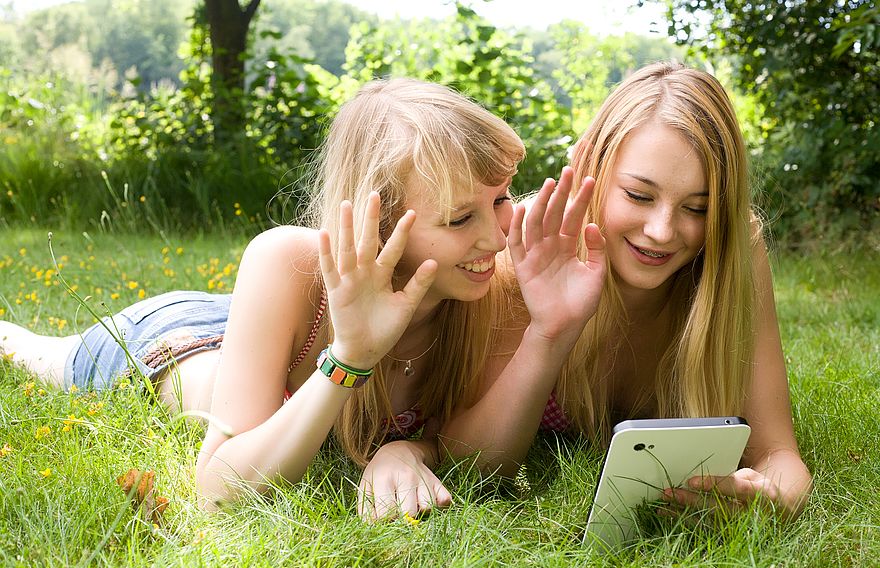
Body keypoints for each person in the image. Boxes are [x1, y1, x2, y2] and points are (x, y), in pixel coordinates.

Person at [1, 77, 603, 516]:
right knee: (38, 355)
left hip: (262, 336)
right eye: (459, 219)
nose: (497, 235)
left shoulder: (493, 280)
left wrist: (409, 449)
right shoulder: (286, 261)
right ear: (379, 221)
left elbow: (483, 464)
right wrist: (351, 357)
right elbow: (218, 489)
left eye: (501, 199)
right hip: (177, 342)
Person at [369, 61, 813, 522]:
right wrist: (551, 330)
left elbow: (778, 453)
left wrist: (773, 501)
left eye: (697, 208)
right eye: (639, 196)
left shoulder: (737, 252)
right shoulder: (532, 253)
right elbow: (469, 459)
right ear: (590, 170)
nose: (662, 231)